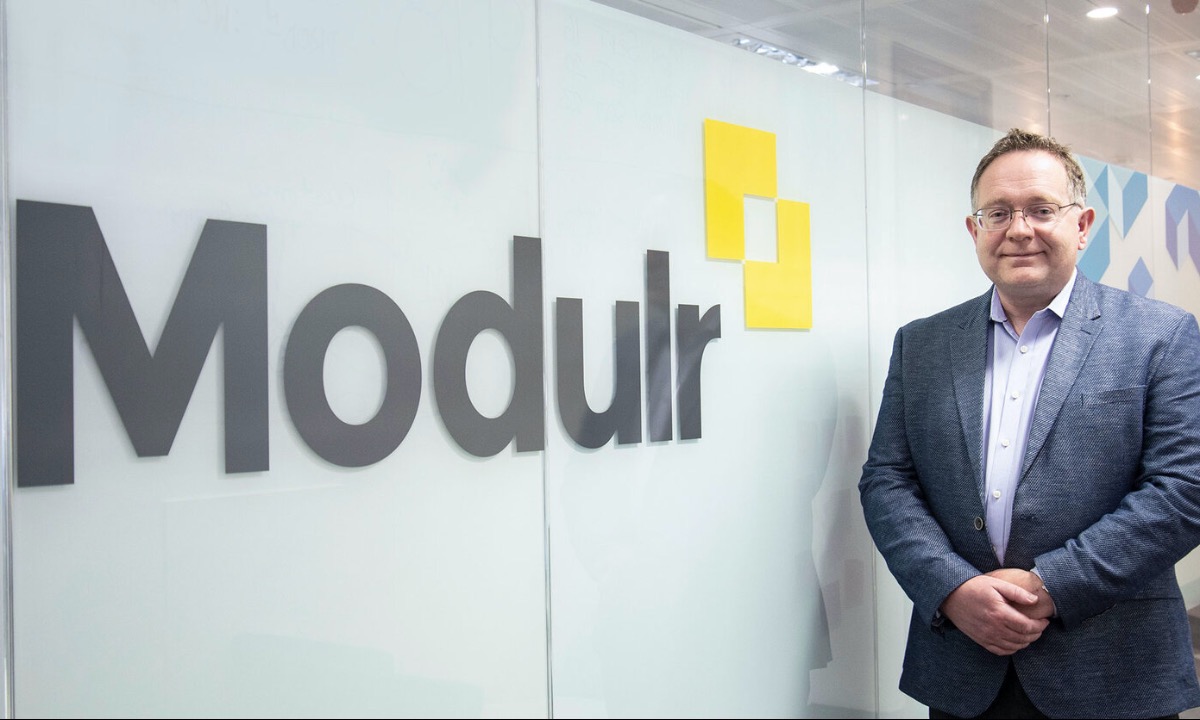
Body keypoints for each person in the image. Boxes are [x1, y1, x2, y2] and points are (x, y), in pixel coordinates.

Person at [858, 127, 1200, 719]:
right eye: (997, 213)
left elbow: (1184, 489)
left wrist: (1052, 585)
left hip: (1112, 669)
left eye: (1042, 209)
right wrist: (951, 588)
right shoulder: (923, 343)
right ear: (975, 231)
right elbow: (887, 480)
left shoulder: (1161, 335)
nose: (1019, 229)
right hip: (963, 665)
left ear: (1082, 225)